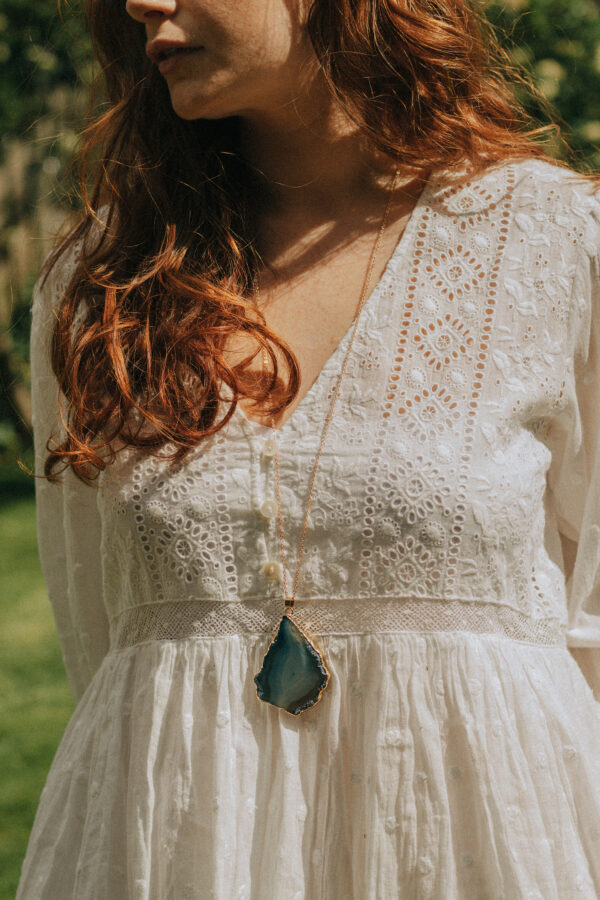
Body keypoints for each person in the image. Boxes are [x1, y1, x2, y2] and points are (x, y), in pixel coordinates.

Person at [16, 0, 600, 896]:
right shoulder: (103, 289)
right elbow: (105, 654)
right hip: (184, 851)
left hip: (482, 845)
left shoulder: (557, 245)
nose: (140, 2)